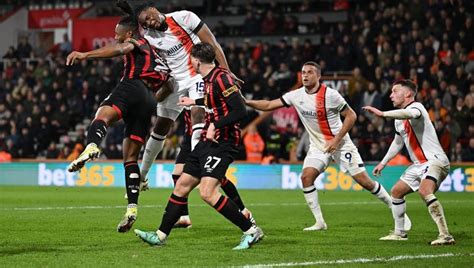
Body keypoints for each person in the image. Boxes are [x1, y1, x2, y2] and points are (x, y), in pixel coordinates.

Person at [245, 62, 411, 231]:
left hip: (341, 144)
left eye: (310, 72)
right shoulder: (296, 95)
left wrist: (336, 139)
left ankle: (394, 208)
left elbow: (351, 116)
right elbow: (267, 105)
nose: (305, 75)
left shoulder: (331, 95)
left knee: (365, 182)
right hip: (318, 146)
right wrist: (245, 101)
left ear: (318, 76)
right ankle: (320, 222)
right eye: (303, 72)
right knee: (306, 177)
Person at [134, 43, 263, 250]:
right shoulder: (209, 79)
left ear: (196, 60)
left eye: (190, 59)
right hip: (207, 141)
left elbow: (240, 110)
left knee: (207, 192)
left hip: (223, 142)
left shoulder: (222, 78)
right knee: (182, 185)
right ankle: (160, 235)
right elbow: (214, 100)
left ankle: (251, 230)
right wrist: (192, 100)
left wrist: (214, 124)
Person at [66, 0, 170, 233]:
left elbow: (121, 49)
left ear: (129, 33)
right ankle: (132, 208)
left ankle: (92, 145)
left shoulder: (136, 42)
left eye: (117, 33)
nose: (115, 37)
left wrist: (85, 55)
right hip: (149, 99)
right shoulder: (159, 56)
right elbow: (168, 89)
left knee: (102, 115)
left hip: (132, 86)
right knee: (130, 157)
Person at [133, 2, 240, 190]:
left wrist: (227, 73)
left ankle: (199, 168)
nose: (150, 22)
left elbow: (212, 44)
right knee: (160, 128)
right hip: (174, 82)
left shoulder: (184, 18)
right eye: (145, 22)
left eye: (149, 16)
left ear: (155, 9)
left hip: (196, 76)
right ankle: (142, 176)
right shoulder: (148, 36)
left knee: (197, 115)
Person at [363, 79, 455, 245]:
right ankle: (399, 233)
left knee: (424, 190)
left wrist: (383, 114)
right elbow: (397, 143)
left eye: (395, 91)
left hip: (435, 160)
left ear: (408, 94)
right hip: (418, 165)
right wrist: (383, 163)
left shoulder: (417, 107)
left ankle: (445, 235)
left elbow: (411, 114)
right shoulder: (398, 120)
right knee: (396, 192)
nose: (391, 95)